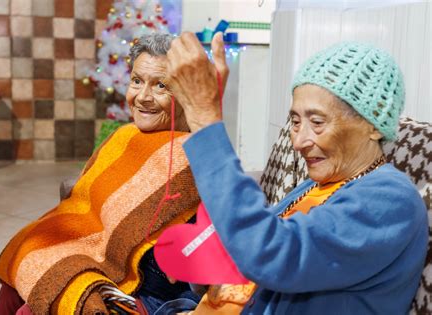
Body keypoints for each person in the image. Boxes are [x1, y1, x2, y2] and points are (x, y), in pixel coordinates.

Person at [164, 32, 428, 314]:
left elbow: (271, 254)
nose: (299, 141)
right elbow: (253, 245)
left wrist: (204, 118)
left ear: (373, 122)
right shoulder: (314, 186)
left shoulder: (390, 201)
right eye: (294, 121)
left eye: (317, 122)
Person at [0, 33, 201, 315]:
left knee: (29, 310)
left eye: (161, 86)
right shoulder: (124, 137)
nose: (142, 97)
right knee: (14, 282)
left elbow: (184, 267)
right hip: (94, 257)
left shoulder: (194, 156)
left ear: (188, 93)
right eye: (137, 81)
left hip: (146, 292)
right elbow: (84, 206)